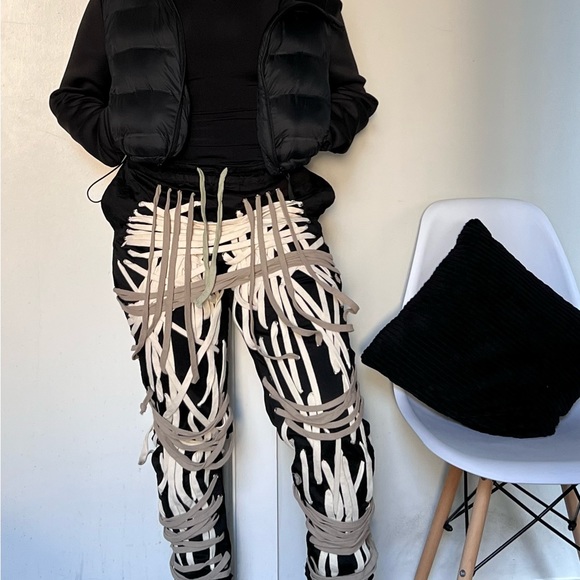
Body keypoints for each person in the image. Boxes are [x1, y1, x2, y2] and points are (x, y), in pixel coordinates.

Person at [50, 0, 378, 578]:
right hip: (163, 226)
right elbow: (74, 95)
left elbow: (352, 95)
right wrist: (130, 137)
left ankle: (343, 567)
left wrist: (305, 134)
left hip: (275, 217)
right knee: (187, 432)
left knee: (327, 416)